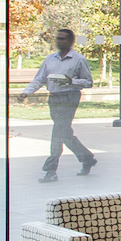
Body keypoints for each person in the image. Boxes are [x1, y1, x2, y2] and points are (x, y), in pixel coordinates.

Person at [24, 28, 95, 183]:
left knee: (57, 132)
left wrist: (72, 81)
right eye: (58, 38)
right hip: (54, 99)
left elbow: (88, 82)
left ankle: (50, 170)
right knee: (64, 133)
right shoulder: (50, 59)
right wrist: (26, 92)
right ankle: (87, 158)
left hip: (69, 98)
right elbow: (39, 79)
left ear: (70, 42)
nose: (59, 41)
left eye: (62, 39)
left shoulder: (78, 59)